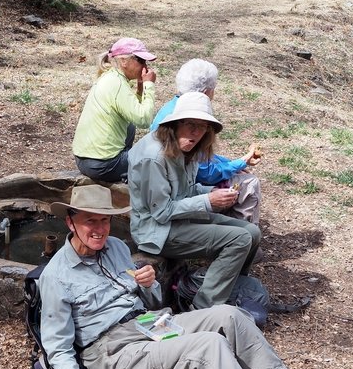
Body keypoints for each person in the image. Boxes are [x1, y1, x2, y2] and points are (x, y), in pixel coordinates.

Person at [39, 184, 353, 369]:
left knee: (228, 315)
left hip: (147, 325)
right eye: (89, 221)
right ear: (70, 222)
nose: (100, 229)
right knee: (208, 345)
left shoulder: (117, 248)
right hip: (113, 353)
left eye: (105, 220)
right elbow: (57, 346)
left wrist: (149, 286)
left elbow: (146, 303)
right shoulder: (57, 276)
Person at [128, 92, 261, 310]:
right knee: (238, 240)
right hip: (157, 231)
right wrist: (208, 201)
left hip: (182, 219)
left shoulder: (188, 148)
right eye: (190, 124)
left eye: (202, 127)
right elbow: (161, 212)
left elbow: (186, 191)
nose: (196, 133)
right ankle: (201, 309)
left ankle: (228, 289)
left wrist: (218, 192)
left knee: (252, 233)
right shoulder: (154, 157)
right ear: (175, 123)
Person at [150, 59, 262, 224]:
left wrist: (235, 163)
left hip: (175, 181)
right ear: (205, 92)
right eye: (213, 89)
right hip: (179, 189)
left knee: (236, 173)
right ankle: (241, 231)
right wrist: (240, 162)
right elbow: (205, 173)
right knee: (250, 184)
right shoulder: (193, 119)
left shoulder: (169, 108)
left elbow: (202, 157)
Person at [71, 37, 158, 183]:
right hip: (103, 165)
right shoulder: (117, 84)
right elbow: (144, 120)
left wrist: (140, 88)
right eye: (140, 61)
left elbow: (132, 113)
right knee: (156, 160)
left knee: (129, 125)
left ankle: (126, 167)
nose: (145, 66)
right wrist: (150, 86)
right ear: (124, 61)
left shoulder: (110, 77)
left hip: (83, 160)